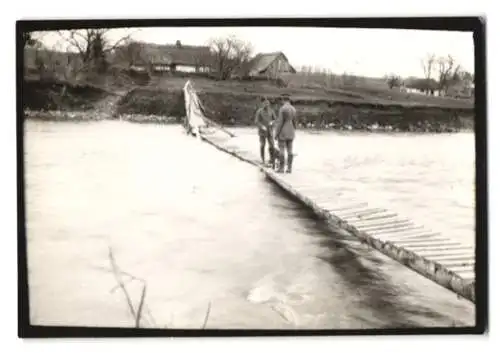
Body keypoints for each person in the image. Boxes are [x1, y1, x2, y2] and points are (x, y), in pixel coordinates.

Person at [274, 94, 297, 173]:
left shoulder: (282, 109)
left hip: (283, 131)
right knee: (290, 150)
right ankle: (289, 168)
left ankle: (281, 168)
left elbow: (280, 122)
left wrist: (276, 134)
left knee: (282, 149)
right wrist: (294, 130)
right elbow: (295, 122)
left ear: (283, 100)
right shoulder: (293, 109)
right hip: (291, 131)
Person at [254, 97, 277, 165]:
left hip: (270, 131)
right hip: (262, 132)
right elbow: (256, 121)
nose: (266, 105)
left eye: (267, 103)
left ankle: (272, 159)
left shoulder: (271, 111)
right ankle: (262, 159)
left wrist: (272, 122)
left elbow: (275, 119)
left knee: (272, 146)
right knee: (262, 145)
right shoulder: (259, 111)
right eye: (265, 103)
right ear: (262, 104)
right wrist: (262, 126)